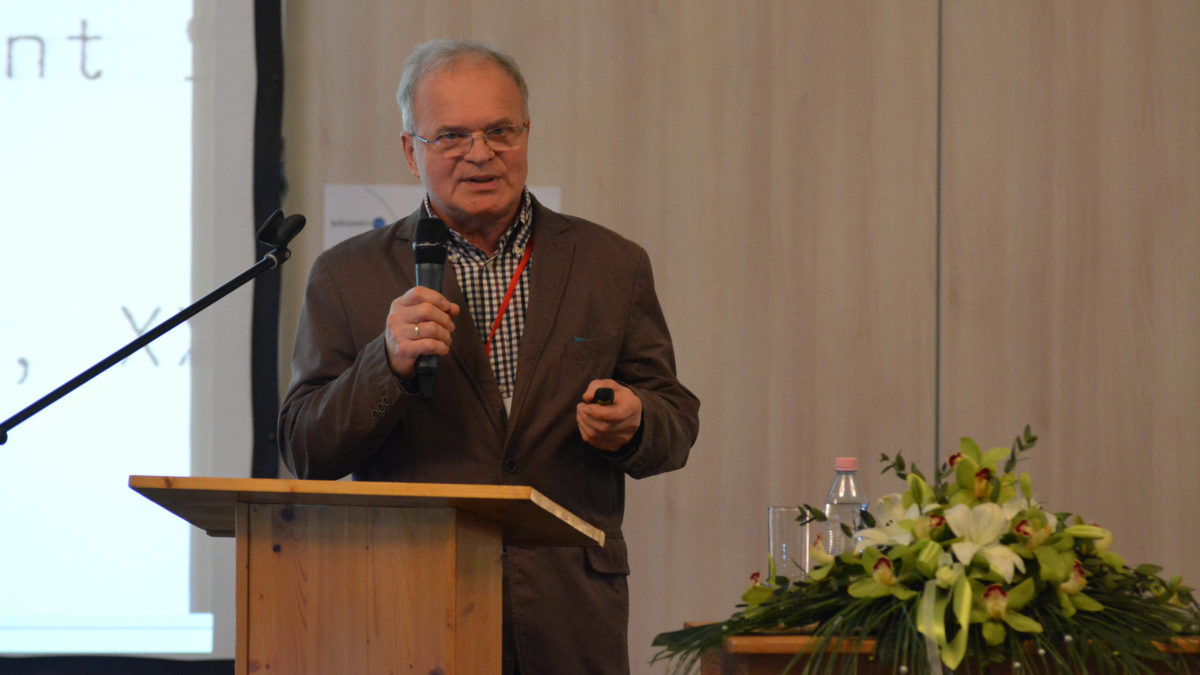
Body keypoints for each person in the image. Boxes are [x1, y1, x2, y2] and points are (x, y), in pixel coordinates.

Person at [278, 38, 699, 674]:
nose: (480, 153)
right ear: (411, 152)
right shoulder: (347, 275)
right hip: (412, 608)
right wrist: (385, 366)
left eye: (500, 130)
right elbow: (304, 448)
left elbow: (676, 420)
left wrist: (636, 421)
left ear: (526, 134)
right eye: (451, 136)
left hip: (569, 615)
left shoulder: (611, 264)